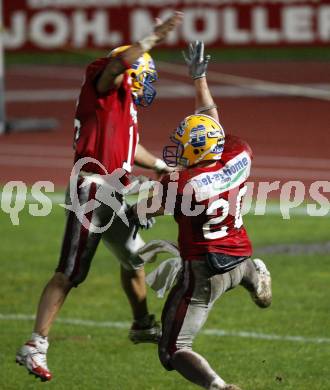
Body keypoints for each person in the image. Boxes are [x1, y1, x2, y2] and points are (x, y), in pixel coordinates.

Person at [16, 11, 183, 382]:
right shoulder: (105, 84)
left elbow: (130, 145)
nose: (148, 83)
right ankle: (34, 345)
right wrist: (153, 37)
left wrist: (157, 164)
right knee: (71, 273)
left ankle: (141, 324)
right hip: (93, 189)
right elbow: (119, 64)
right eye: (145, 73)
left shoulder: (123, 108)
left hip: (113, 193)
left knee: (134, 258)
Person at [128, 41, 272, 390]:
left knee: (173, 349)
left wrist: (133, 203)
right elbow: (211, 119)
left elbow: (144, 209)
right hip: (238, 256)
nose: (177, 152)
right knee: (241, 269)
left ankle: (220, 387)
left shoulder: (181, 183)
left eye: (183, 147)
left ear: (194, 151)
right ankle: (255, 274)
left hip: (205, 271)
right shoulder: (237, 154)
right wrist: (200, 78)